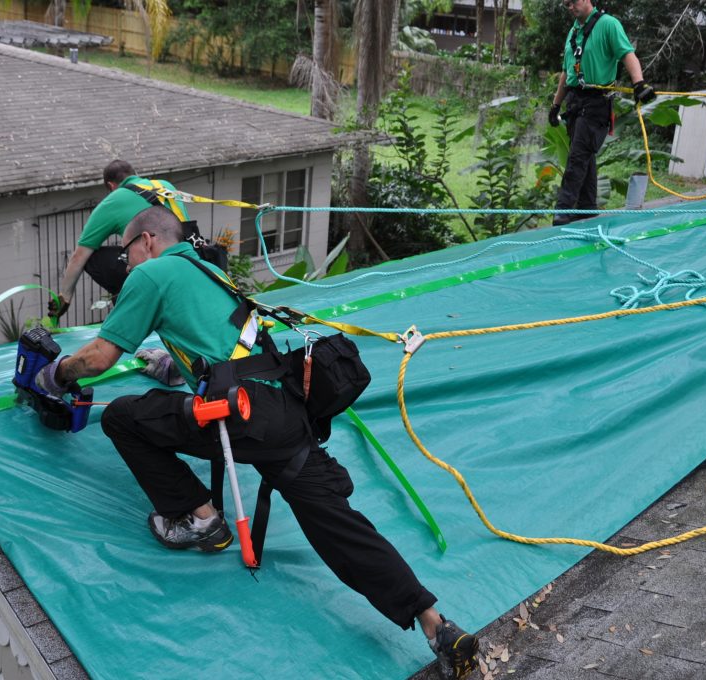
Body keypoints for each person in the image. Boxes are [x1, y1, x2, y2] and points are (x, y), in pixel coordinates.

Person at [33, 206, 481, 679]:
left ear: (146, 240)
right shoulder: (206, 267)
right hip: (283, 414)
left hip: (238, 418)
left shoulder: (152, 275)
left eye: (125, 254)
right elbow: (219, 342)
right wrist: (165, 364)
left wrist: (54, 375)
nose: (124, 265)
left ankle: (201, 519)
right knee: (340, 528)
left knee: (123, 417)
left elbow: (99, 357)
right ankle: (438, 627)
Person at [548, 0, 655, 226]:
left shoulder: (608, 25)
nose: (570, 7)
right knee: (585, 157)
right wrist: (555, 105)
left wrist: (639, 83)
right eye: (566, 4)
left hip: (596, 103)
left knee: (578, 156)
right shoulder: (573, 32)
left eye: (573, 2)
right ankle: (587, 208)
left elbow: (627, 54)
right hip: (575, 102)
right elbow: (566, 73)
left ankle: (563, 210)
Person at [48, 159, 190, 318]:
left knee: (92, 257)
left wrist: (65, 298)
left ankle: (130, 298)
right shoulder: (165, 186)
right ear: (135, 174)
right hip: (186, 260)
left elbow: (79, 256)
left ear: (111, 186)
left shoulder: (113, 201)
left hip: (155, 270)